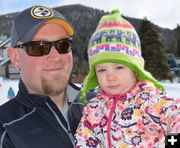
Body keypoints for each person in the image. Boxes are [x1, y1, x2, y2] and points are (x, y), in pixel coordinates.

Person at [75, 10, 180, 148]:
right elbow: (84, 139)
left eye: (119, 67)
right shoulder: (94, 107)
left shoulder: (148, 100)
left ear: (135, 70)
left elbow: (175, 115)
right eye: (102, 70)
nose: (110, 77)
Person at [0, 5, 86, 148]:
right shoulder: (5, 129)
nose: (55, 56)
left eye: (63, 45)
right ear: (15, 57)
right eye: (39, 47)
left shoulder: (100, 105)